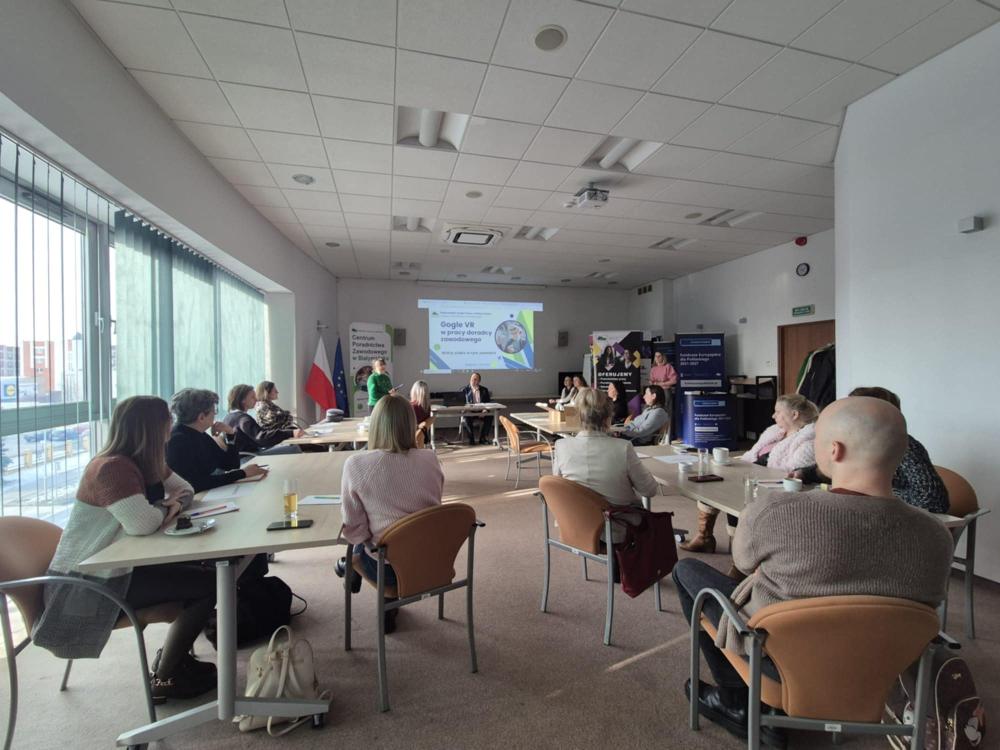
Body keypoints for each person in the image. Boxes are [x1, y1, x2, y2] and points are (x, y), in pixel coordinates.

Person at [671, 396, 954, 746]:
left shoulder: (777, 510)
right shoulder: (937, 535)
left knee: (687, 571)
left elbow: (742, 563)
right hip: (880, 665)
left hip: (778, 660)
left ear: (835, 450)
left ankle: (736, 701)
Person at [31, 396, 218, 700]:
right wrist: (167, 507)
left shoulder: (145, 462)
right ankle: (167, 675)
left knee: (207, 570)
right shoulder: (111, 469)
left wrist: (167, 506)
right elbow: (142, 524)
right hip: (87, 586)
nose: (171, 425)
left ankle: (174, 658)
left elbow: (185, 490)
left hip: (119, 567)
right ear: (152, 428)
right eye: (167, 421)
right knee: (210, 583)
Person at [334, 395, 444, 633]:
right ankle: (382, 600)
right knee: (388, 537)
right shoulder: (430, 458)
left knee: (360, 541)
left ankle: (350, 568)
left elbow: (353, 530)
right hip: (433, 562)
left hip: (388, 570)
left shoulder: (356, 465)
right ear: (411, 423)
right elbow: (434, 508)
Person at [681, 394, 819, 554]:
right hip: (752, 476)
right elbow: (753, 456)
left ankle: (737, 553)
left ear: (794, 415)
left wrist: (744, 470)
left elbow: (788, 474)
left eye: (778, 412)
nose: (773, 416)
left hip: (770, 487)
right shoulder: (775, 432)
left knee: (732, 491)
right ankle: (704, 536)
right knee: (712, 479)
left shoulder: (807, 442)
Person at [791, 386, 949, 514]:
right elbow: (839, 468)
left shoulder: (906, 445)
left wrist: (875, 492)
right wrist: (805, 474)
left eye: (854, 410)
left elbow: (932, 499)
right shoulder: (852, 442)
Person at [553, 389, 659, 544]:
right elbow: (649, 490)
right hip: (617, 528)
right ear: (608, 416)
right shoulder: (623, 447)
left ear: (575, 415)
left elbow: (558, 487)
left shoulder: (561, 446)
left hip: (574, 525)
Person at [166, 388, 268, 492]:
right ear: (201, 417)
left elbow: (230, 464)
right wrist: (243, 473)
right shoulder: (176, 441)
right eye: (214, 411)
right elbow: (196, 483)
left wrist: (230, 434)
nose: (215, 415)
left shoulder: (200, 434)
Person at [224, 383, 304, 455]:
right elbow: (261, 438)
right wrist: (290, 433)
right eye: (252, 397)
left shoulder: (228, 417)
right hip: (250, 456)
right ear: (243, 400)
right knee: (294, 448)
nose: (256, 399)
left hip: (242, 456)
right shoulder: (244, 419)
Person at [460, 372, 493, 445]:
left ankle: (483, 438)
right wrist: (466, 409)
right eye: (471, 379)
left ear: (479, 381)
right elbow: (461, 404)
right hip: (469, 412)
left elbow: (488, 403)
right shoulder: (464, 390)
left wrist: (485, 410)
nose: (472, 380)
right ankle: (471, 439)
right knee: (467, 417)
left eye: (475, 379)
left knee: (490, 416)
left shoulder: (484, 390)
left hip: (481, 412)